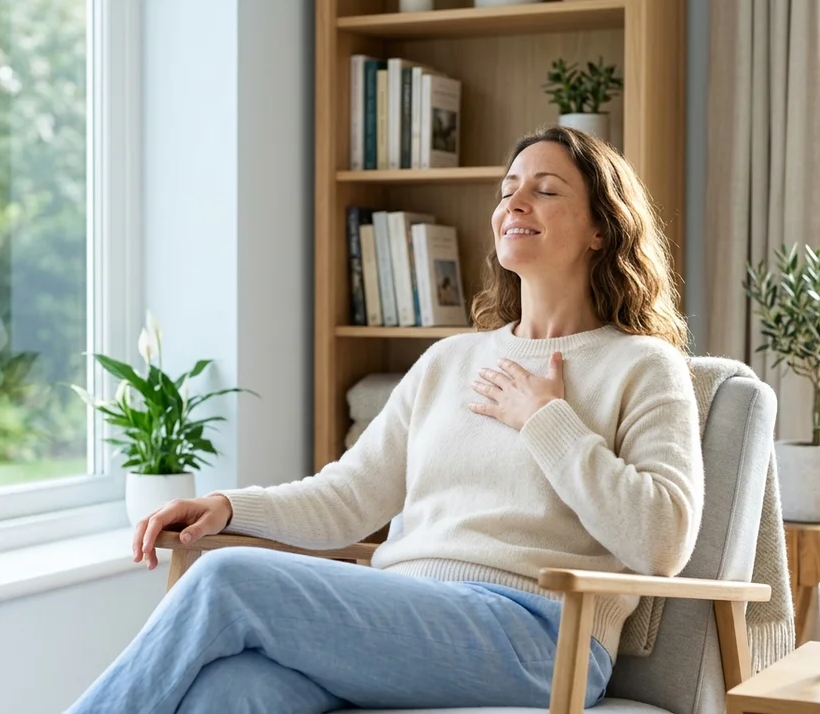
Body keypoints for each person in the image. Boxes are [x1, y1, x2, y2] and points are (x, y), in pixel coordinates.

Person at [65, 126, 704, 714]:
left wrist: (546, 419)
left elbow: (663, 542)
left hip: (541, 636)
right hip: (408, 616)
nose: (516, 203)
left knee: (227, 576)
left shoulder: (643, 366)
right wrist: (229, 507)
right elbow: (348, 497)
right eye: (508, 190)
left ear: (601, 228)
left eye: (545, 190)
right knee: (233, 691)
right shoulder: (449, 361)